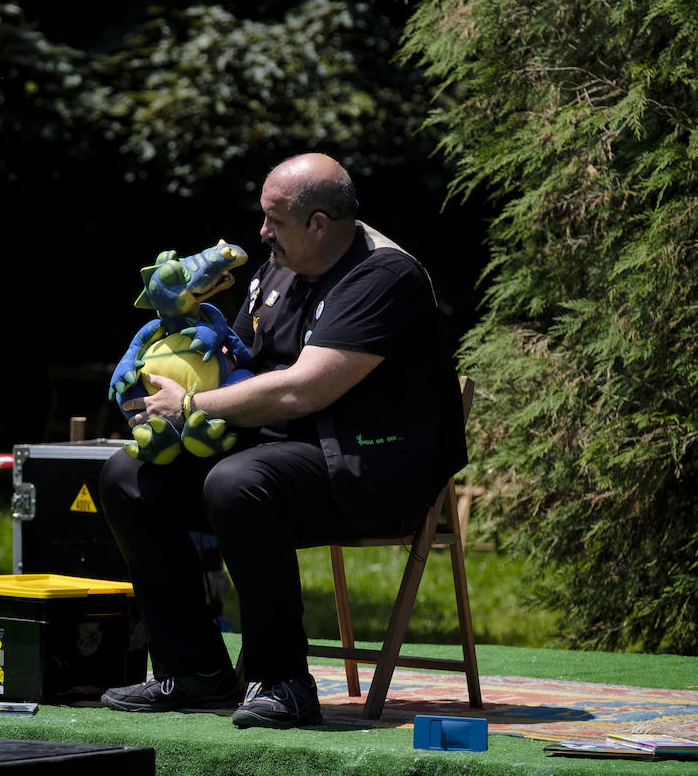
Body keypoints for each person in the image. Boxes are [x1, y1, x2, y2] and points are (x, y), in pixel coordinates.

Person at [97, 152, 468, 729]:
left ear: (319, 223)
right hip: (278, 456)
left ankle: (284, 683)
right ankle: (193, 671)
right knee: (127, 477)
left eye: (274, 219)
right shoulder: (280, 268)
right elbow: (232, 358)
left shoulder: (384, 277)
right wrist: (154, 374)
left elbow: (304, 391)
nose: (261, 232)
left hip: (371, 467)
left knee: (240, 482)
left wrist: (190, 405)